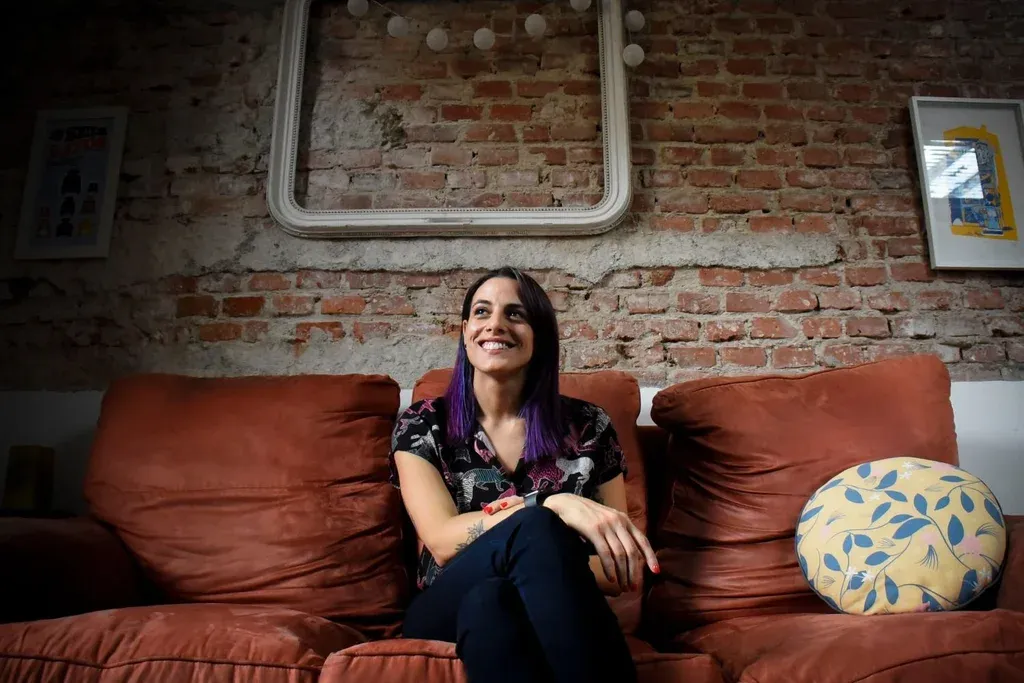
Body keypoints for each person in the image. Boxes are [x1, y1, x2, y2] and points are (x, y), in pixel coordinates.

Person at [388, 267, 659, 683]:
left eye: (515, 314)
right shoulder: (423, 424)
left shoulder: (589, 426)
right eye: (482, 312)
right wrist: (550, 504)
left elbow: (617, 569)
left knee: (491, 601)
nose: (495, 324)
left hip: (519, 603)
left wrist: (541, 565)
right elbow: (441, 541)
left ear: (540, 335)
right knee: (537, 525)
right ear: (465, 331)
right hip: (442, 604)